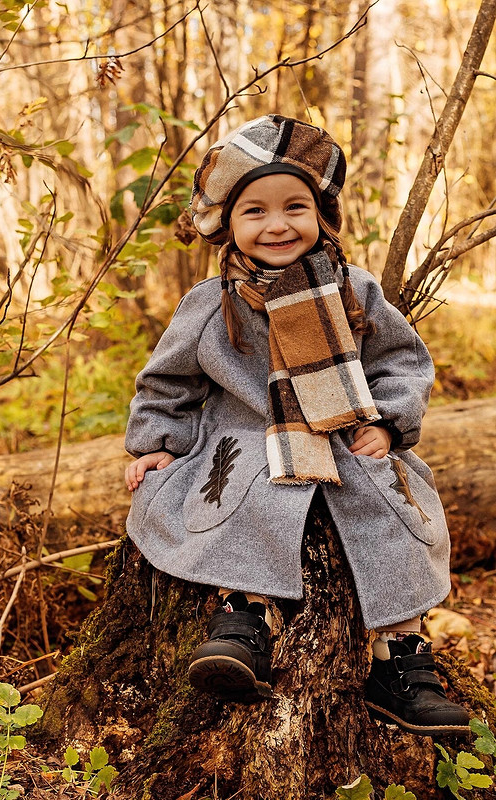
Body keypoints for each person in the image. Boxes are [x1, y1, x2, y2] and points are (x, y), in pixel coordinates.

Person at [123, 114, 469, 736]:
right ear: (228, 223)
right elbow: (166, 382)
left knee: (391, 518)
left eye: (295, 207)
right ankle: (241, 625)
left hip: (344, 435)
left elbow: (401, 362)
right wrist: (158, 446)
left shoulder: (355, 290)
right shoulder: (211, 303)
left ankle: (399, 661)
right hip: (247, 439)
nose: (277, 224)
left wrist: (388, 425)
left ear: (322, 216)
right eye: (254, 210)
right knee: (250, 500)